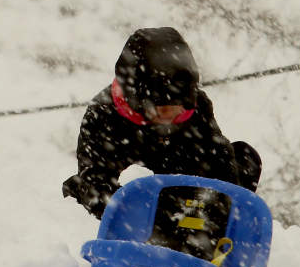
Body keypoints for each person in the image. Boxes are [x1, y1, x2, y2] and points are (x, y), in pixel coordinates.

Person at [62, 27, 261, 218]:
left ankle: (221, 229)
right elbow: (95, 179)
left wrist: (222, 204)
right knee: (82, 188)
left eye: (178, 114)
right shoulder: (103, 113)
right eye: (162, 112)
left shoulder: (197, 106)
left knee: (243, 157)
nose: (169, 122)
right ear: (138, 101)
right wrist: (144, 211)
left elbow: (219, 158)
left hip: (186, 199)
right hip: (136, 206)